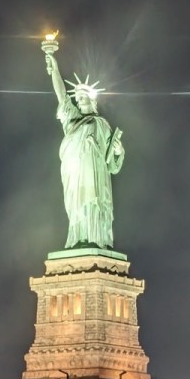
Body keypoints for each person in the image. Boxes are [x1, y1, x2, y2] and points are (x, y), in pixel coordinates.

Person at [45, 52, 125, 249]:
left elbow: (112, 165)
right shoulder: (72, 120)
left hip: (96, 174)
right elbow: (62, 96)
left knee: (93, 203)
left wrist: (118, 151)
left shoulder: (102, 124)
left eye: (83, 97)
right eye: (78, 97)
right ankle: (79, 238)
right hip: (75, 173)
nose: (79, 100)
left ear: (91, 99)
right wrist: (55, 69)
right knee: (77, 205)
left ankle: (96, 238)